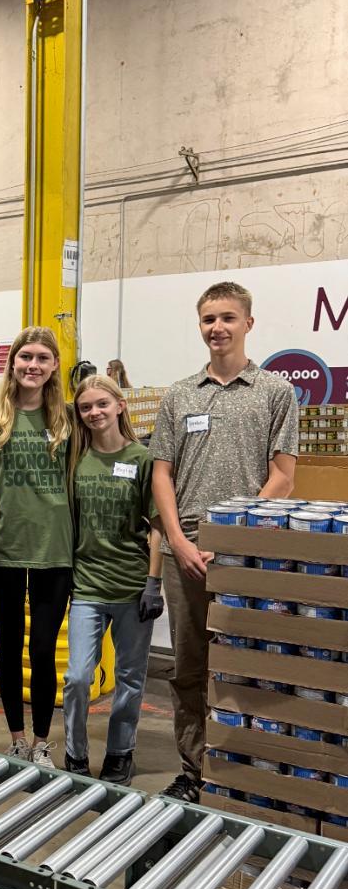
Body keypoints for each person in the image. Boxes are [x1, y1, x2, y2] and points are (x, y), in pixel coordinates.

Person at [150, 281, 298, 803]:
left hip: (247, 553)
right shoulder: (180, 394)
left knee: (244, 665)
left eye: (228, 318)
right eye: (209, 319)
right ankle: (195, 771)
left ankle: (241, 774)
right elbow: (162, 474)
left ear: (248, 324)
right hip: (186, 551)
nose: (218, 328)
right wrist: (176, 540)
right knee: (189, 667)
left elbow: (283, 476)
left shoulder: (275, 392)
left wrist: (234, 537)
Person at [0, 327, 73, 767]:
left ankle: (42, 742)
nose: (33, 365)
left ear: (54, 366)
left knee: (44, 651)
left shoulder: (68, 419)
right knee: (10, 649)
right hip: (5, 551)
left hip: (56, 553)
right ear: (12, 362)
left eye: (42, 358)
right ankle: (16, 739)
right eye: (26, 356)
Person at [63, 375, 164, 783]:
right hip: (86, 586)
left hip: (131, 587)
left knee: (129, 677)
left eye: (102, 404)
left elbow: (157, 525)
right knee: (77, 677)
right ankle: (75, 752)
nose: (94, 413)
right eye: (86, 407)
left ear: (120, 405)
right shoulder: (75, 459)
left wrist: (153, 582)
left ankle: (121, 752)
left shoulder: (142, 459)